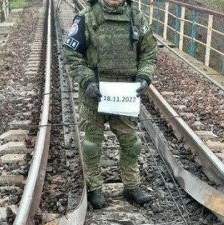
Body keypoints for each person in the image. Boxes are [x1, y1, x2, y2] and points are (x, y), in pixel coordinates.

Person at [63, 0, 157, 209]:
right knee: (92, 144)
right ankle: (95, 188)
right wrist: (87, 80)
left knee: (132, 143)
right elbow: (71, 54)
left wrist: (144, 77)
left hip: (124, 96)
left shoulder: (136, 17)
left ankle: (132, 185)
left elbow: (149, 53)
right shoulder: (86, 18)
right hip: (94, 94)